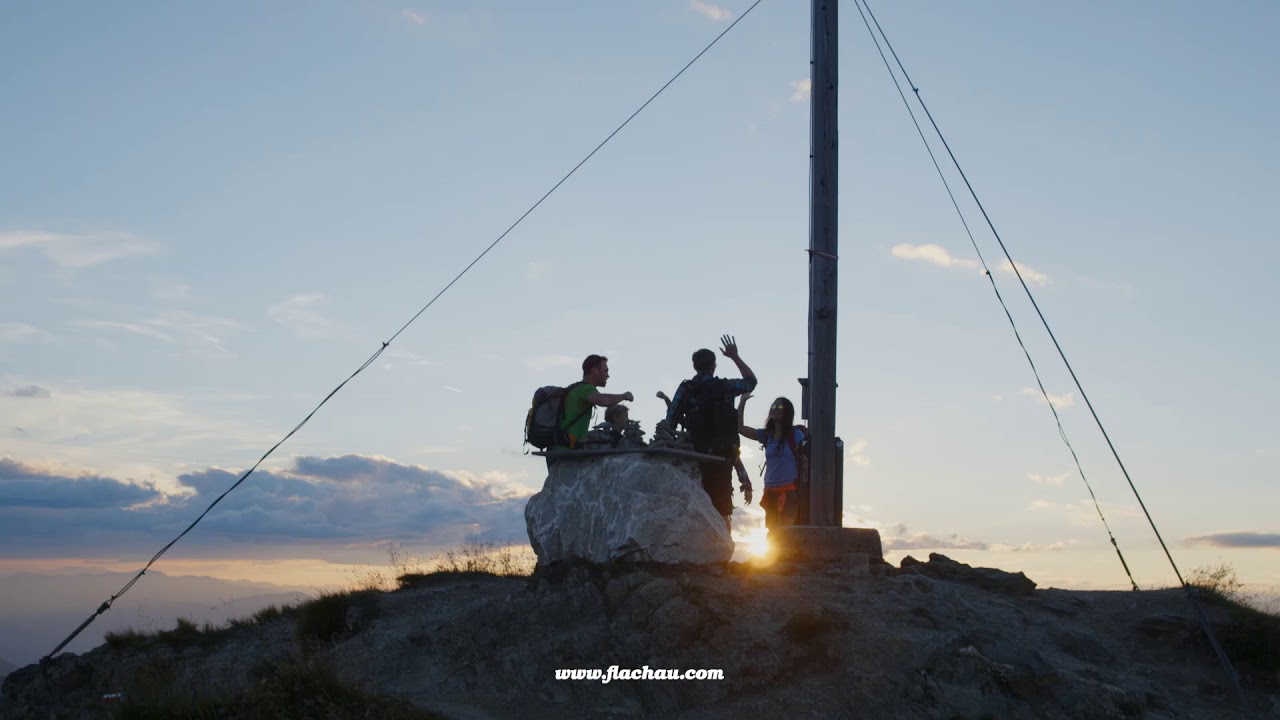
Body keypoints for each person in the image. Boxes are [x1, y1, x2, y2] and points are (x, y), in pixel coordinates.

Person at [666, 335, 757, 530]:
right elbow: (751, 382)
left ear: (694, 366)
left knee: (696, 509)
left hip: (694, 455)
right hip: (722, 456)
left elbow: (670, 420)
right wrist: (734, 357)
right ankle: (723, 554)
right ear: (714, 365)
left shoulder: (687, 388)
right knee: (722, 510)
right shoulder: (726, 386)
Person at [657, 390, 752, 505]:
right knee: (722, 514)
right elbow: (736, 460)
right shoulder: (723, 435)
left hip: (700, 483)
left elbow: (678, 418)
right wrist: (746, 485)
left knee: (719, 513)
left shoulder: (699, 431)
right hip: (716, 483)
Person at [549, 355, 633, 466]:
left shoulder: (574, 388)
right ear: (595, 371)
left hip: (558, 450)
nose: (607, 375)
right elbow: (603, 401)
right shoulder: (585, 389)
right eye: (605, 371)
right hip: (565, 453)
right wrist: (624, 396)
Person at [737, 394, 805, 529]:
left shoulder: (796, 435)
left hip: (789, 492)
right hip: (770, 492)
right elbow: (741, 428)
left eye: (780, 406)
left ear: (788, 411)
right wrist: (742, 402)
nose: (776, 408)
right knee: (772, 535)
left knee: (786, 534)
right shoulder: (767, 435)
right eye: (774, 406)